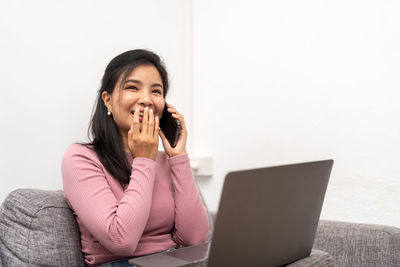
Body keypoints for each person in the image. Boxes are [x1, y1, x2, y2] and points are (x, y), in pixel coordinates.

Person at [62, 49, 210, 266]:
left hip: (172, 262)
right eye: (132, 87)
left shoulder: (165, 161)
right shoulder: (81, 158)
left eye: (156, 91)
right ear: (108, 100)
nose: (146, 100)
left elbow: (195, 239)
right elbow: (121, 241)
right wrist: (144, 161)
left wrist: (178, 158)